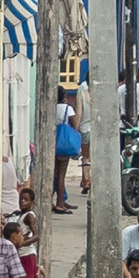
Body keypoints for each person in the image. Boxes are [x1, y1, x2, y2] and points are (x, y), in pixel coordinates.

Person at [54, 86, 78, 215]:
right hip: (63, 143)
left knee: (54, 174)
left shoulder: (51, 107)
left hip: (53, 141)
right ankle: (60, 203)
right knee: (61, 175)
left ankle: (57, 200)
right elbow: (74, 125)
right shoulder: (67, 109)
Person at [117, 68, 139, 134]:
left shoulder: (120, 89)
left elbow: (117, 107)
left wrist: (123, 115)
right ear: (138, 76)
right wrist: (138, 117)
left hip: (123, 125)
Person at [76, 73, 91, 193]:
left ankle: (86, 180)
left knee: (85, 157)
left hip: (85, 128)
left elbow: (79, 113)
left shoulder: (81, 91)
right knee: (94, 157)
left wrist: (75, 128)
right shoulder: (101, 93)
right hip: (97, 128)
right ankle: (92, 181)